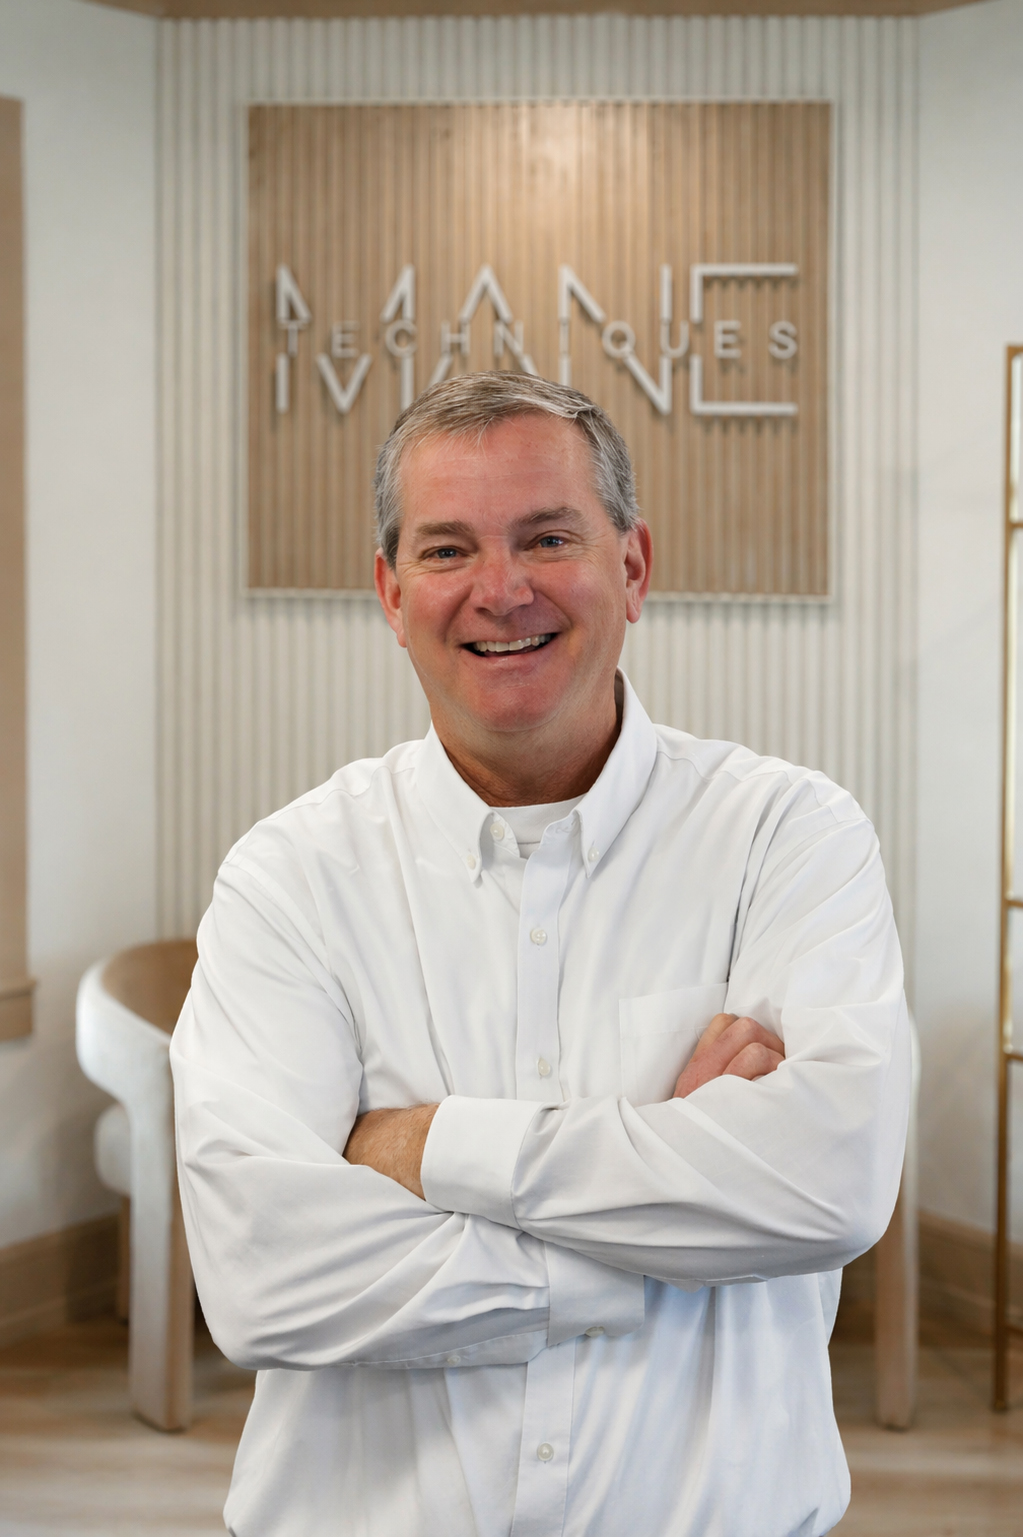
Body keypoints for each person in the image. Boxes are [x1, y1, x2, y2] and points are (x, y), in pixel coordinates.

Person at [171, 371, 910, 1537]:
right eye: (448, 548)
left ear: (634, 567)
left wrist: (428, 1145)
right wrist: (664, 1223)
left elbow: (834, 1180)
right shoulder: (289, 876)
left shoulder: (788, 835)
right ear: (391, 591)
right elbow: (263, 1277)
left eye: (549, 537)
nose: (501, 589)